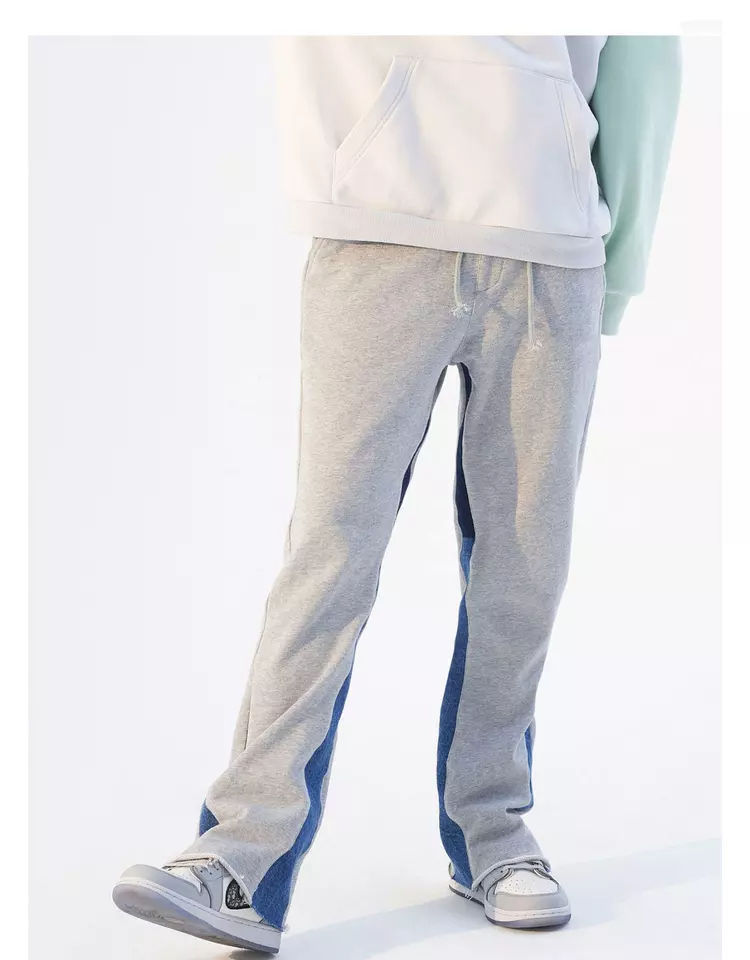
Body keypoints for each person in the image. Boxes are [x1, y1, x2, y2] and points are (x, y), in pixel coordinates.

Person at [112, 35, 681, 954]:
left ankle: (494, 833)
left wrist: (622, 267)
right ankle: (240, 856)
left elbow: (645, 53)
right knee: (329, 552)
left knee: (524, 564)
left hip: (552, 247)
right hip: (376, 230)